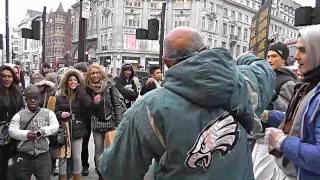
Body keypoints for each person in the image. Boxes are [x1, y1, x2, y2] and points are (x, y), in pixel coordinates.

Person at [99, 27, 275, 180]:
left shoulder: (148, 108)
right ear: (206, 50)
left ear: (166, 62)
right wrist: (246, 58)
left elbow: (117, 172)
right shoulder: (242, 82)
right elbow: (265, 71)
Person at [265, 26, 320, 180]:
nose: (295, 56)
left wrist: (282, 141)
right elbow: (298, 120)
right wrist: (268, 115)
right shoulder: (308, 84)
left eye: (303, 50)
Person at [252, 42, 297, 180]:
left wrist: (273, 96)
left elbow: (287, 112)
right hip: (259, 134)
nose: (270, 60)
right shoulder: (267, 76)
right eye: (268, 56)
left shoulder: (288, 81)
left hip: (271, 138)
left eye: (274, 56)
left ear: (284, 59)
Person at [8, 85, 59, 180]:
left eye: (35, 98)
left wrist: (45, 130)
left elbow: (55, 126)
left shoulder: (48, 113)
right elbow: (12, 131)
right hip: (23, 156)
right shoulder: (19, 115)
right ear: (25, 99)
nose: (32, 101)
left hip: (43, 156)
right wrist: (26, 134)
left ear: (40, 99)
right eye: (29, 98)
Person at [85, 64, 124, 179]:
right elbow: (86, 108)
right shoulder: (87, 88)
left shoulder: (110, 85)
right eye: (92, 73)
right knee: (99, 151)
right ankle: (101, 174)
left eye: (97, 72)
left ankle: (111, 172)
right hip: (96, 123)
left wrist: (118, 122)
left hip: (110, 122)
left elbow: (117, 103)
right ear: (89, 75)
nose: (95, 75)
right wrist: (93, 103)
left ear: (101, 73)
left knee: (111, 151)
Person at [55, 69, 91, 180]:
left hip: (78, 129)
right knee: (63, 156)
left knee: (76, 157)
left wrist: (80, 90)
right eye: (70, 80)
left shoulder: (81, 95)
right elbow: (54, 112)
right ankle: (63, 177)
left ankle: (77, 177)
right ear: (66, 82)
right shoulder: (60, 96)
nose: (73, 82)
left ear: (78, 82)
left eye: (75, 80)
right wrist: (61, 113)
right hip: (64, 130)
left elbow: (88, 104)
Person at [0, 65, 25, 180]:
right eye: (4, 76)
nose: (7, 79)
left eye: (9, 76)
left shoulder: (16, 90)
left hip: (14, 131)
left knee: (13, 162)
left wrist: (16, 121)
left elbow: (22, 107)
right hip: (1, 134)